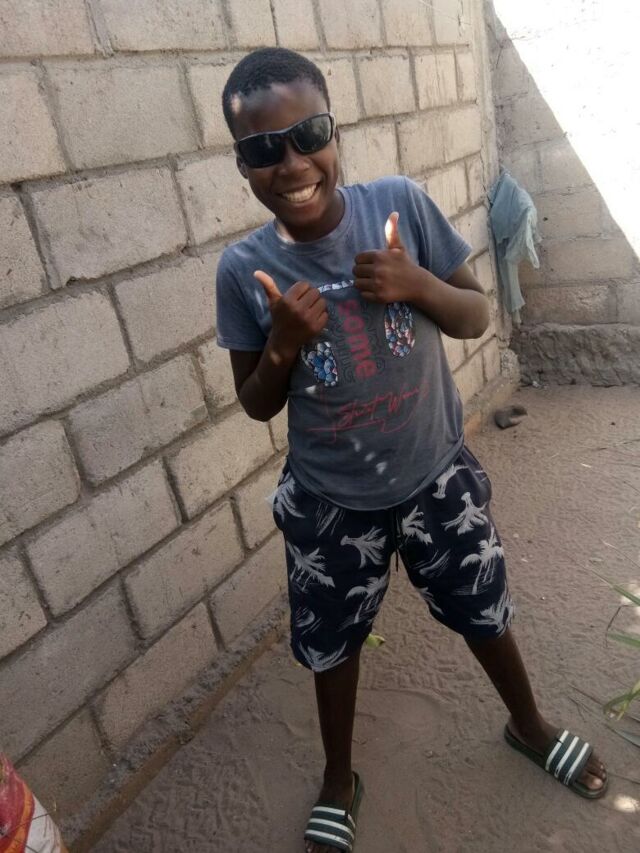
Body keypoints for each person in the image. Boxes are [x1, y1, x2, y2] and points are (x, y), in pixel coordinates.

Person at [216, 47, 607, 853]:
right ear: (242, 164)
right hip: (330, 501)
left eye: (308, 134)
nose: (291, 163)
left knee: (483, 607)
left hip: (436, 475)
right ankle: (338, 777)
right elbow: (256, 403)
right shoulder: (243, 269)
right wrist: (282, 344)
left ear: (334, 131)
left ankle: (529, 723)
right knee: (332, 645)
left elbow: (475, 315)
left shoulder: (399, 205)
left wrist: (416, 283)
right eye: (262, 148)